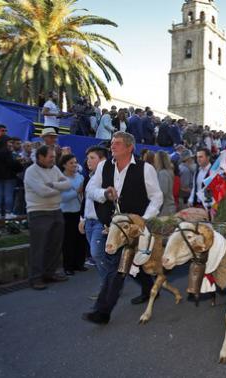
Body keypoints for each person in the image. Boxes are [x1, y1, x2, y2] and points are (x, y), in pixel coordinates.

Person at [82, 131, 163, 325]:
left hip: (134, 227)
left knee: (117, 266)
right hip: (113, 226)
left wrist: (143, 220)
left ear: (129, 147)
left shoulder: (145, 168)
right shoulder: (104, 166)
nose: (113, 146)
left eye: (117, 143)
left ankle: (102, 311)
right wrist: (105, 193)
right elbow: (90, 190)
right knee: (124, 264)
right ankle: (148, 287)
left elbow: (157, 197)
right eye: (112, 143)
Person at [24, 145, 71, 290]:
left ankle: (50, 273)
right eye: (51, 157)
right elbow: (42, 192)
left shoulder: (54, 169)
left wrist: (52, 185)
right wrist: (59, 187)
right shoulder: (31, 172)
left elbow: (68, 184)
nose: (53, 159)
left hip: (56, 210)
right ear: (40, 157)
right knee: (39, 247)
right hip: (38, 212)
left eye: (54, 157)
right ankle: (36, 278)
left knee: (55, 245)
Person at [79, 146, 110, 285]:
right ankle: (108, 284)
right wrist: (82, 219)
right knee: (97, 254)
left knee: (97, 253)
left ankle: (111, 284)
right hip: (89, 221)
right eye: (87, 158)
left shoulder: (109, 176)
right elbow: (86, 201)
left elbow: (107, 199)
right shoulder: (89, 177)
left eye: (92, 158)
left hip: (100, 222)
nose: (88, 161)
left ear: (102, 160)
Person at [59, 154, 87, 276]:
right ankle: (68, 266)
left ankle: (79, 264)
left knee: (80, 239)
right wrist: (77, 191)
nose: (74, 165)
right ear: (64, 164)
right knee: (68, 241)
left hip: (79, 213)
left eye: (75, 162)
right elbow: (62, 198)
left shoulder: (80, 177)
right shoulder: (61, 179)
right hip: (66, 213)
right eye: (71, 163)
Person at [0, 135, 23, 219]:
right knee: (8, 195)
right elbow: (11, 164)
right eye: (10, 142)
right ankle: (8, 213)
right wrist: (19, 163)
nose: (11, 144)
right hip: (9, 176)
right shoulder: (7, 152)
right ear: (5, 141)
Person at [154, 150, 177, 216]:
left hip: (165, 209)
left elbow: (163, 192)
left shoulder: (163, 173)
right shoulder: (168, 172)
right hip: (167, 207)